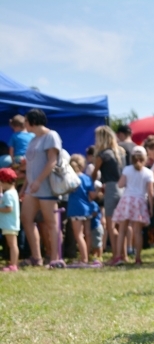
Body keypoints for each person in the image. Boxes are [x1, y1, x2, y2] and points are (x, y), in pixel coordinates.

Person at [19, 109, 63, 268]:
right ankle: (36, 257)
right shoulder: (33, 139)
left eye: (26, 121)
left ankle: (55, 258)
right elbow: (30, 166)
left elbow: (52, 161)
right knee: (26, 218)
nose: (24, 124)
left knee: (51, 222)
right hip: (32, 188)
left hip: (46, 187)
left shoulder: (51, 136)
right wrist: (25, 187)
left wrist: (38, 180)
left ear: (33, 121)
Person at [110, 146, 154, 266]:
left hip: (127, 200)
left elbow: (120, 185)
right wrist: (151, 207)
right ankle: (138, 258)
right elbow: (150, 192)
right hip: (140, 201)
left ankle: (118, 257)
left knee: (122, 230)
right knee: (137, 232)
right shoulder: (148, 172)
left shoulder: (127, 169)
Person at [91, 126, 126, 255]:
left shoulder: (102, 155)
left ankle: (116, 255)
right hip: (123, 188)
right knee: (121, 226)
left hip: (111, 188)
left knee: (110, 225)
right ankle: (123, 254)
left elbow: (94, 174)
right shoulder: (120, 152)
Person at [67, 155, 99, 267]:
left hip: (75, 208)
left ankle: (83, 258)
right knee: (87, 234)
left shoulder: (70, 178)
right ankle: (87, 257)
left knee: (79, 235)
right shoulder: (86, 178)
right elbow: (93, 195)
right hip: (87, 209)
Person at [0, 167, 20, 272]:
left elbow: (9, 208)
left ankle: (13, 265)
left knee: (12, 245)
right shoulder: (13, 192)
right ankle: (13, 263)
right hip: (12, 223)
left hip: (9, 224)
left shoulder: (8, 194)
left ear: (4, 181)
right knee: (12, 245)